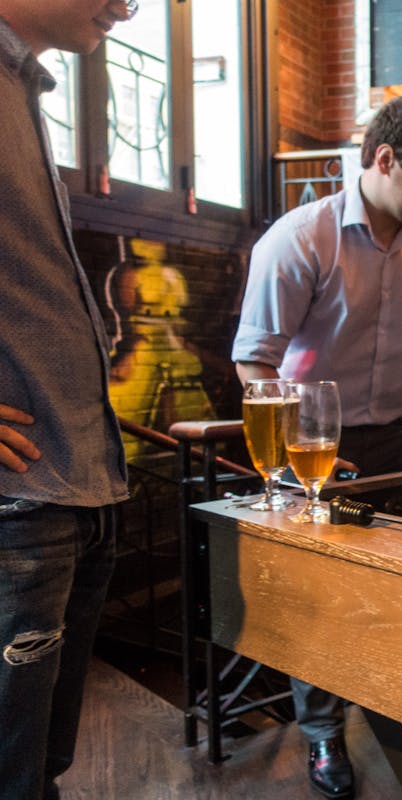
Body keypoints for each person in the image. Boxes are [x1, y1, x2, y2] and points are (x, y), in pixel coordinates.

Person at [232, 95, 402, 800]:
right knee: (321, 599)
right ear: (384, 161)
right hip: (313, 446)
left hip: (396, 440)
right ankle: (323, 737)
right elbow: (255, 362)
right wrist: (293, 447)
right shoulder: (301, 237)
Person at [0, 2, 135, 799]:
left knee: (39, 768)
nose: (130, 5)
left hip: (78, 484)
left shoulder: (23, 80)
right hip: (21, 502)